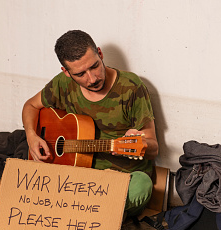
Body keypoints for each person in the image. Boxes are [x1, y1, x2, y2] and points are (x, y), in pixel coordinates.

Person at [22, 30, 159, 217]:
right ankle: (93, 213)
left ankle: (85, 212)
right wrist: (31, 135)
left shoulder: (132, 87)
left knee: (141, 186)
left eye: (94, 66)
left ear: (100, 54)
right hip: (78, 175)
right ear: (67, 72)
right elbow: (30, 105)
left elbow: (153, 148)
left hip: (121, 178)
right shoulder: (62, 84)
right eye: (80, 74)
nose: (92, 79)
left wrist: (141, 143)